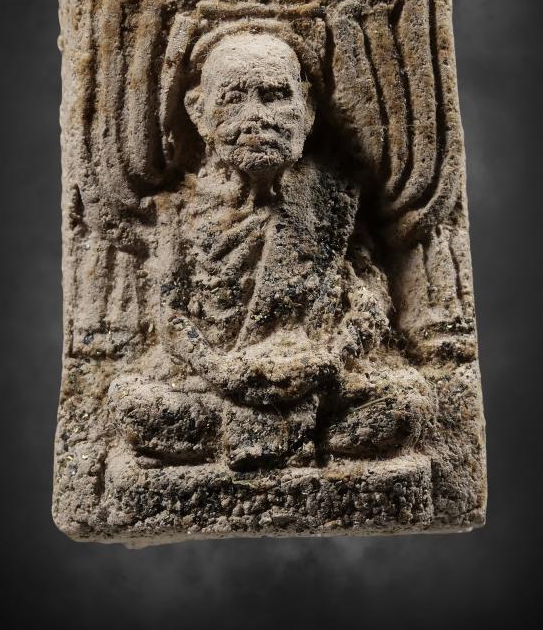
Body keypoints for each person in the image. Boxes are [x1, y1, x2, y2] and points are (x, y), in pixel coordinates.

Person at [108, 31, 435, 470]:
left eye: (275, 96)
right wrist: (220, 372)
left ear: (307, 109)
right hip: (214, 386)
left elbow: (370, 300)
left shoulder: (333, 198)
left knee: (409, 404)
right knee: (131, 403)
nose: (256, 117)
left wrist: (328, 361)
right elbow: (172, 318)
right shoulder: (178, 213)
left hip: (314, 382)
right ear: (199, 113)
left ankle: (278, 433)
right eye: (232, 99)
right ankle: (275, 436)